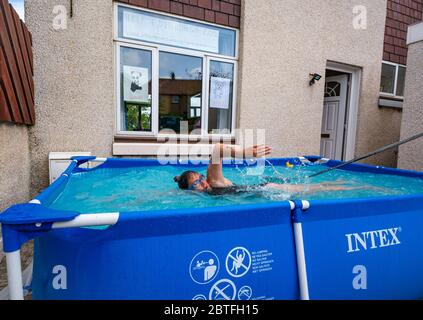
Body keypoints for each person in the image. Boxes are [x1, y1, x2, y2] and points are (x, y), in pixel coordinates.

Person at [173, 143, 361, 196]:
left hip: (267, 189)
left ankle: (354, 188)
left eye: (200, 177)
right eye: (197, 183)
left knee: (318, 190)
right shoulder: (205, 193)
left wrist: (244, 153)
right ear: (189, 191)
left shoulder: (213, 182)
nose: (202, 182)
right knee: (316, 189)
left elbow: (217, 150)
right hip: (262, 190)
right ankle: (344, 185)